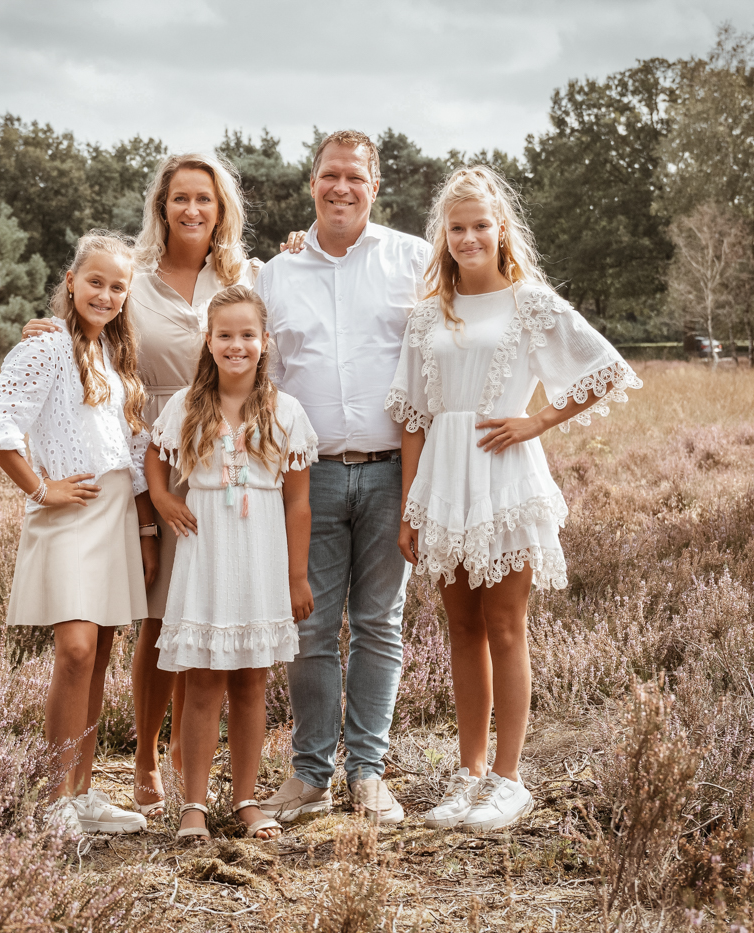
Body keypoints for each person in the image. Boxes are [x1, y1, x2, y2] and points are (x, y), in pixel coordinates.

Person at [19, 153, 303, 819]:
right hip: (152, 450)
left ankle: (191, 770)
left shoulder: (248, 273)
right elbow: (97, 324)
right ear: (163, 206)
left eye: (205, 198)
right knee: (158, 614)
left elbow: (270, 329)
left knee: (208, 611)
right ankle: (146, 757)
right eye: (180, 198)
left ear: (222, 207)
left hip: (228, 452)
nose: (193, 210)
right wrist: (52, 329)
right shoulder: (137, 281)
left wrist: (299, 244)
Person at [388, 166, 642, 832]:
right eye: (457, 226)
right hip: (442, 482)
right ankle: (469, 776)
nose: (469, 236)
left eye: (480, 224)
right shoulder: (426, 315)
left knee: (504, 624)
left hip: (505, 477)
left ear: (501, 230)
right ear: (444, 235)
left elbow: (605, 368)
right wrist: (409, 505)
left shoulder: (531, 303)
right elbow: (412, 414)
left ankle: (509, 779)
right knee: (460, 629)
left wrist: (535, 420)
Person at [255, 130, 430, 825]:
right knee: (311, 626)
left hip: (392, 472)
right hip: (309, 476)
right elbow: (258, 374)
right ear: (312, 183)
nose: (341, 188)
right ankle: (309, 773)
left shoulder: (413, 259)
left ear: (375, 185)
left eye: (355, 177)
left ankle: (368, 773)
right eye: (330, 175)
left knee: (380, 624)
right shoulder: (277, 271)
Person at [0, 231, 154, 835]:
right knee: (74, 650)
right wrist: (39, 488)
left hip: (116, 513)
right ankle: (55, 801)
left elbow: (130, 446)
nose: (104, 294)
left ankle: (84, 791)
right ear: (70, 282)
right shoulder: (47, 348)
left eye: (116, 286)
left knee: (100, 655)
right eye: (94, 281)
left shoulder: (116, 359)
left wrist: (147, 523)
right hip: (69, 512)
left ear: (126, 297)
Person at [146, 285, 317, 842]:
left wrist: (295, 576)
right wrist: (165, 498)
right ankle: (193, 805)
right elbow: (154, 456)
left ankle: (246, 799)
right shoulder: (187, 405)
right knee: (203, 682)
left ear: (265, 343)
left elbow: (297, 500)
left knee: (251, 682)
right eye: (225, 335)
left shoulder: (286, 411)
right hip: (206, 552)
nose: (236, 344)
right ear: (209, 341)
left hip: (263, 554)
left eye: (247, 335)